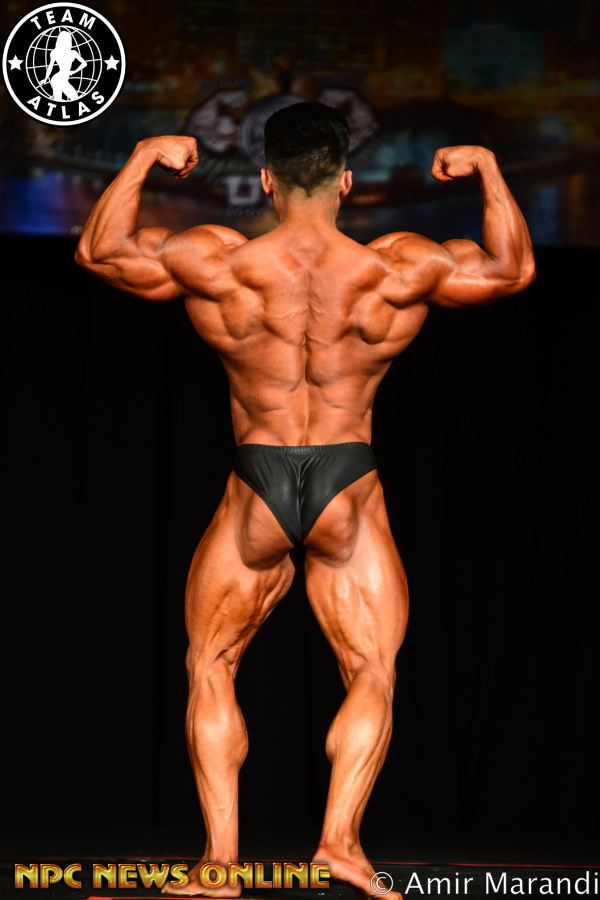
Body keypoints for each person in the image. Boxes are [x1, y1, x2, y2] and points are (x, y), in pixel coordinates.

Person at [75, 102, 535, 898]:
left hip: (258, 476)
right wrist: (490, 169)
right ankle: (341, 845)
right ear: (345, 181)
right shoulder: (393, 268)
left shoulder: (221, 262)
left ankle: (219, 864)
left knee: (211, 663)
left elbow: (100, 251)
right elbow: (511, 271)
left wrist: (146, 156)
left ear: (266, 181)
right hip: (346, 482)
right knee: (372, 670)